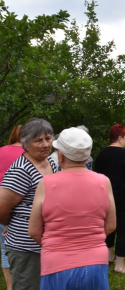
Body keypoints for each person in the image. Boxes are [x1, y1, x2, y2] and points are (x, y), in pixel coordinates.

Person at [28, 127, 116, 290]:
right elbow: (111, 226)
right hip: (95, 260)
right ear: (87, 155)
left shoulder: (46, 183)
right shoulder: (104, 182)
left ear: (61, 155)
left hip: (56, 261)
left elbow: (34, 230)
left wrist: (55, 245)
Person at [0, 118, 57, 290]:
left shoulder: (51, 162)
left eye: (48, 138)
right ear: (25, 143)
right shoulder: (21, 171)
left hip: (48, 242)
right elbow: (1, 208)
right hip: (25, 247)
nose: (45, 144)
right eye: (38, 140)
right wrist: (12, 223)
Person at [95, 124, 125, 274]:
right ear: (120, 138)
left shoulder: (101, 154)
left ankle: (109, 258)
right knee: (124, 230)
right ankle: (120, 266)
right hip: (122, 199)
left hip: (104, 198)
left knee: (109, 228)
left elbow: (96, 176)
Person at [0, 125, 24, 290]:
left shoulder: (1, 151)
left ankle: (10, 286)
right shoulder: (31, 154)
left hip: (2, 202)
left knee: (3, 247)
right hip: (24, 205)